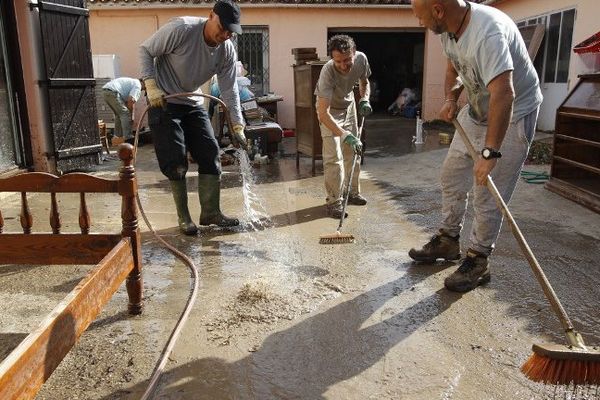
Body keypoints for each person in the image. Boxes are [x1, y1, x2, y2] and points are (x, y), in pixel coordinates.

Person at [409, 0, 543, 292]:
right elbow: (453, 69)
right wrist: (450, 98)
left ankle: (478, 260)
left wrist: (490, 152)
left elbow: (504, 94)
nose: (420, 23)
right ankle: (447, 240)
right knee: (452, 174)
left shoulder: (487, 34)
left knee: (487, 190)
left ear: (439, 10)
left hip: (513, 111)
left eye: (420, 17)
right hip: (477, 108)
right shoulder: (447, 29)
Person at [139, 0, 247, 235]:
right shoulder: (182, 29)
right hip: (164, 99)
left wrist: (238, 123)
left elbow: (230, 89)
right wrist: (150, 84)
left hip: (193, 101)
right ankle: (184, 217)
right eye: (223, 27)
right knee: (176, 160)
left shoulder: (227, 49)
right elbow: (145, 49)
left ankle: (210, 212)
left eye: (231, 31)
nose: (225, 34)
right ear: (211, 16)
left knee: (209, 153)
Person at [315, 34, 372, 219]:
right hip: (329, 113)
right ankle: (334, 202)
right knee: (334, 158)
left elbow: (365, 81)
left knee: (353, 152)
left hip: (349, 107)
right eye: (338, 61)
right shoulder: (328, 72)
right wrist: (344, 134)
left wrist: (364, 99)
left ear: (354, 53)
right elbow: (323, 113)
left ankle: (352, 193)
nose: (342, 65)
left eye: (347, 60)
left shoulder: (362, 59)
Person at [102, 77, 143, 144]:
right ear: (143, 82)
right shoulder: (138, 85)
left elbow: (130, 102)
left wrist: (131, 115)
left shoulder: (132, 83)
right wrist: (130, 116)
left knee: (119, 115)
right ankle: (128, 138)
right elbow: (131, 100)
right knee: (125, 113)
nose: (143, 90)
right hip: (113, 92)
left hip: (105, 92)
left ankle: (117, 137)